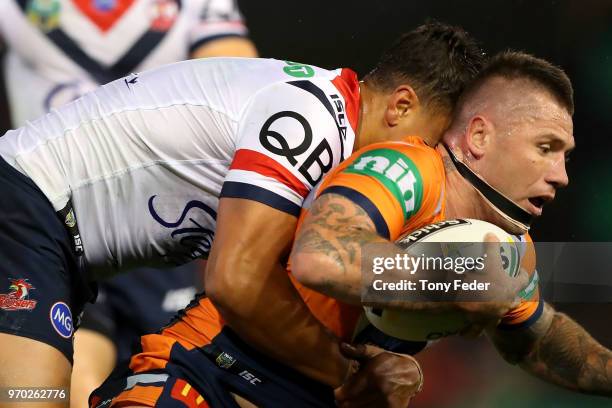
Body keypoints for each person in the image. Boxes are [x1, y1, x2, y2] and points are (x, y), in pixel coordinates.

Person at [88, 51, 606, 408]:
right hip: (206, 376)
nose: (561, 176)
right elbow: (322, 258)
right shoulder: (407, 171)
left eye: (566, 157)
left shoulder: (510, 248)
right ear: (478, 136)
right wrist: (459, 279)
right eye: (546, 148)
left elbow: (537, 343)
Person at [0, 22, 485, 400]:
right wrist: (349, 374)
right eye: (426, 145)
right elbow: (236, 280)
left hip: (55, 236)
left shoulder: (329, 130)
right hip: (29, 205)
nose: (423, 167)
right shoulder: (311, 123)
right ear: (400, 106)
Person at [0, 2, 257, 406]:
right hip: (54, 210)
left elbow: (238, 79)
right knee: (62, 381)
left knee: (163, 382)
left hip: (157, 221)